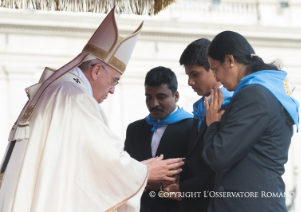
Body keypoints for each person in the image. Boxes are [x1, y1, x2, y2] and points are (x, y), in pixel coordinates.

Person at [0, 8, 184, 212]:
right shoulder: (76, 97)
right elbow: (103, 159)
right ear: (96, 70)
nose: (113, 90)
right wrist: (144, 172)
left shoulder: (57, 89)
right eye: (114, 80)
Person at [202, 31, 299, 212]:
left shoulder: (253, 95)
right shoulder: (269, 90)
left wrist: (213, 124)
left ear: (230, 60)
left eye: (215, 69)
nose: (216, 78)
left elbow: (218, 156)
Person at [163, 38, 233, 212]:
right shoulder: (201, 106)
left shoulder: (232, 106)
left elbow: (222, 165)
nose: (190, 82)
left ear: (214, 69)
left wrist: (184, 188)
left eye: (195, 74)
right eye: (188, 76)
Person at [125, 66, 193, 212]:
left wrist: (166, 183)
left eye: (161, 97)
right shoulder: (134, 130)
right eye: (148, 97)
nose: (153, 104)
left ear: (176, 96)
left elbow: (200, 173)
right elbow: (126, 169)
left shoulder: (193, 127)